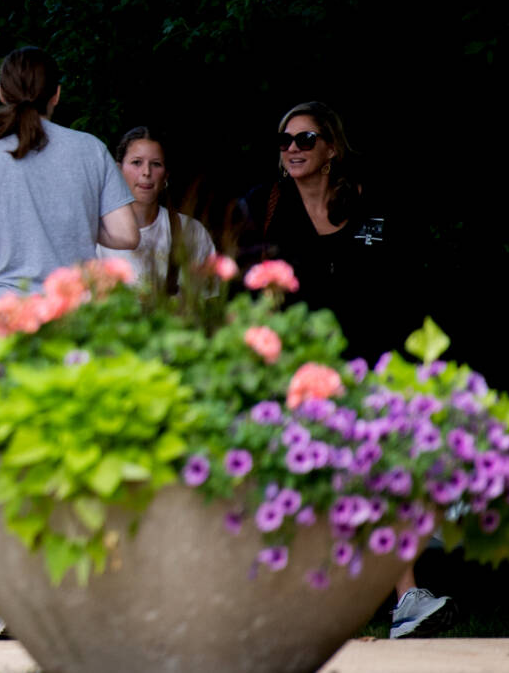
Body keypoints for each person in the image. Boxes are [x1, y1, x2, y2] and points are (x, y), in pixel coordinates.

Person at [231, 101, 439, 637]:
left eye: (305, 139)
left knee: (382, 474)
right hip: (296, 373)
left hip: (369, 363)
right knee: (306, 483)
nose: (293, 149)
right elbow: (245, 292)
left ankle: (407, 599)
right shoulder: (263, 208)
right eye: (285, 142)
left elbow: (399, 286)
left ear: (331, 148)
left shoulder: (370, 206)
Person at [0, 46, 138, 322]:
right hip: (77, 316)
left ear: (1, 92)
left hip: (5, 315)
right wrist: (75, 225)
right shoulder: (90, 148)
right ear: (56, 95)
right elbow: (126, 235)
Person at [113, 126, 218, 295]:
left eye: (156, 164)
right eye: (136, 163)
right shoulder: (97, 234)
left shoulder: (190, 232)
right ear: (118, 170)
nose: (146, 172)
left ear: (166, 176)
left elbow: (210, 299)